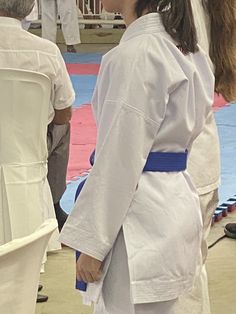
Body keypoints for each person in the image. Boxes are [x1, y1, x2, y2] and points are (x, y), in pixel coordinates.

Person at [59, 0, 215, 313]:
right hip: (173, 201)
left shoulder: (136, 55)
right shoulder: (186, 47)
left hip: (137, 218)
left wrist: (93, 243)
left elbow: (119, 158)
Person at [176, 1, 236, 313]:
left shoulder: (173, 10)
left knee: (178, 277)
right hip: (198, 154)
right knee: (192, 267)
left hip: (179, 161)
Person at [0, 0, 74, 230]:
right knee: (63, 127)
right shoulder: (47, 51)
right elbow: (63, 114)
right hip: (28, 149)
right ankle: (53, 202)